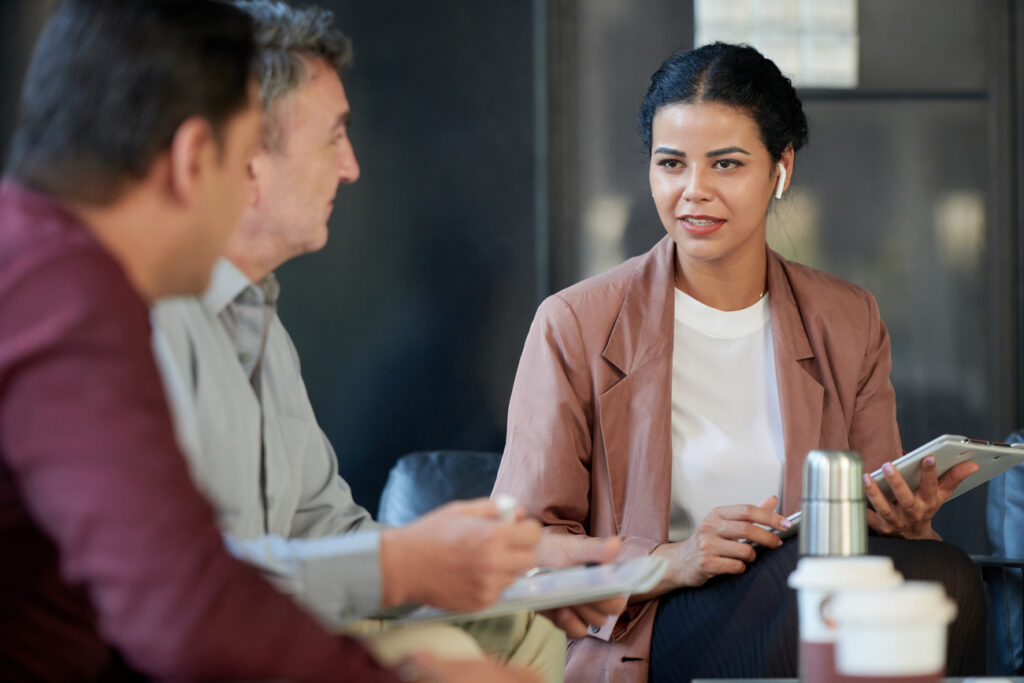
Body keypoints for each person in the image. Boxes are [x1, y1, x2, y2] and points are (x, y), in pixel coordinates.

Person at [0, 2, 538, 681]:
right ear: (197, 159)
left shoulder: (42, 264)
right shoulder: (67, 299)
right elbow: (185, 610)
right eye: (240, 159)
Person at [150, 1, 623, 680]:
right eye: (333, 137)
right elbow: (180, 584)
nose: (351, 167)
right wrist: (410, 565)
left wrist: (509, 559)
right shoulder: (149, 322)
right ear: (250, 160)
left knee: (523, 624)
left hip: (289, 616)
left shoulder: (261, 322)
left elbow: (329, 530)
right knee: (451, 656)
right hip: (211, 644)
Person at [492, 42, 987, 683]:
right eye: (671, 163)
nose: (693, 191)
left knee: (948, 577)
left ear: (781, 169)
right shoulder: (576, 323)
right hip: (653, 622)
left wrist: (906, 523)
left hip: (811, 599)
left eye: (725, 164)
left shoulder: (847, 318)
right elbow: (521, 551)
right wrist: (675, 558)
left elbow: (871, 522)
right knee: (803, 590)